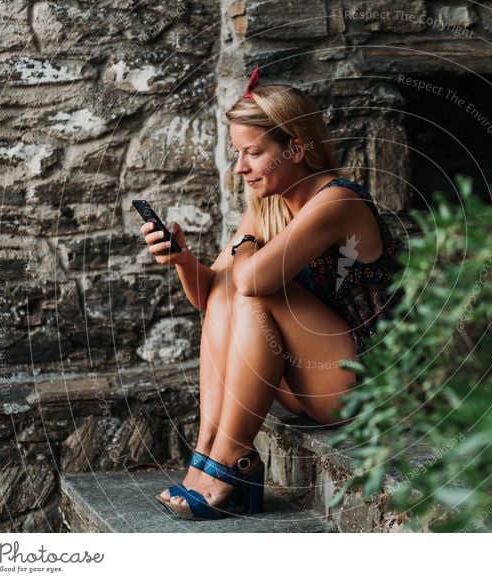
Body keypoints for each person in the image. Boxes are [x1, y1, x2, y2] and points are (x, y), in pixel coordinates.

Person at [139, 66, 402, 520]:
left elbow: (250, 283)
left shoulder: (338, 200)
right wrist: (183, 261)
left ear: (296, 148)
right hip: (300, 384)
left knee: (249, 286)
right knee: (232, 290)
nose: (240, 167)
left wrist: (242, 247)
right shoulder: (269, 205)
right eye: (238, 153)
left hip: (356, 386)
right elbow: (213, 300)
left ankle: (230, 462)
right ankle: (205, 450)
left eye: (253, 153)